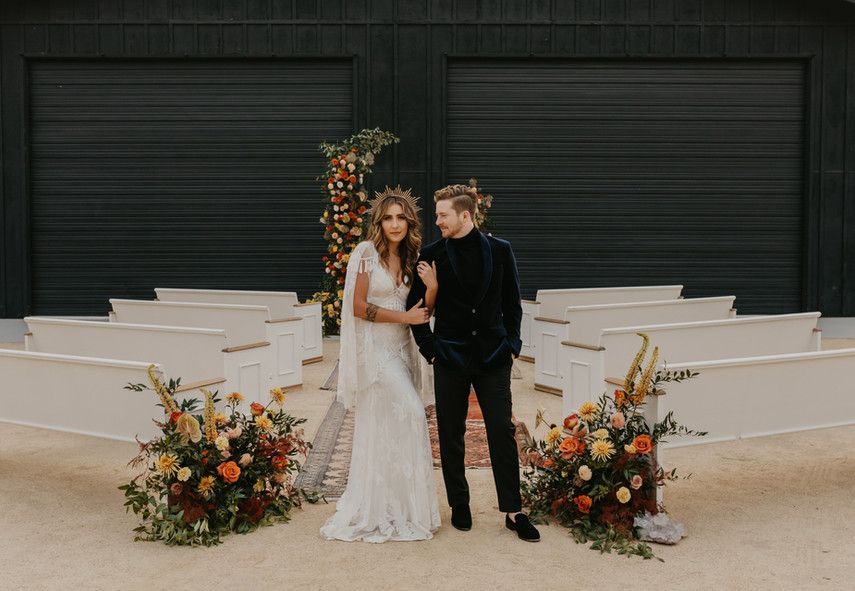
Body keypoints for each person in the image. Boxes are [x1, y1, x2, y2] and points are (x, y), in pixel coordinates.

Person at [406, 183, 540, 542]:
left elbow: (513, 303)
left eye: (443, 215)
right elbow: (415, 309)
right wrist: (430, 349)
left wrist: (512, 346)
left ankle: (514, 511)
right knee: (451, 433)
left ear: (465, 215)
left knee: (501, 429)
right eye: (437, 215)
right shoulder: (430, 253)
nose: (438, 222)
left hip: (494, 356)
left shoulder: (500, 250)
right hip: (448, 356)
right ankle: (459, 504)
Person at [320, 186, 441, 543]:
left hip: (403, 352)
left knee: (394, 424)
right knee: (412, 413)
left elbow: (424, 312)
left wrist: (432, 288)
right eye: (387, 218)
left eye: (400, 217)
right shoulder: (365, 254)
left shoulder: (412, 257)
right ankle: (376, 507)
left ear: (409, 221)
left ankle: (402, 508)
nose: (394, 224)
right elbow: (359, 307)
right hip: (376, 354)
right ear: (378, 221)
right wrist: (403, 318)